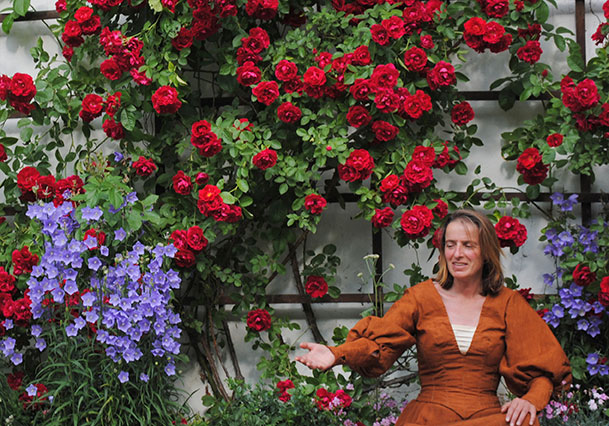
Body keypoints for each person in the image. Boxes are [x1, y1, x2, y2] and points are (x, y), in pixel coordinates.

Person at [296, 209, 571, 426]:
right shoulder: (421, 297)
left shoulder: (508, 303)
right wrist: (337, 354)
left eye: (468, 245)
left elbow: (544, 369)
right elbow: (380, 343)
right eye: (450, 245)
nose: (457, 254)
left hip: (488, 417)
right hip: (428, 417)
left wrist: (531, 401)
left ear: (486, 251)